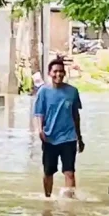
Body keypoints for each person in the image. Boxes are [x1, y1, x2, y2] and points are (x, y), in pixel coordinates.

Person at [33, 58, 85, 198]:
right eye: (55, 71)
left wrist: (79, 138)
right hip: (50, 137)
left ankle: (69, 205)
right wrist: (39, 130)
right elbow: (39, 113)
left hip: (69, 137)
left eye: (61, 71)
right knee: (48, 172)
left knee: (69, 172)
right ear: (50, 73)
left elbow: (75, 115)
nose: (58, 74)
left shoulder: (72, 92)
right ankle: (48, 198)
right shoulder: (43, 92)